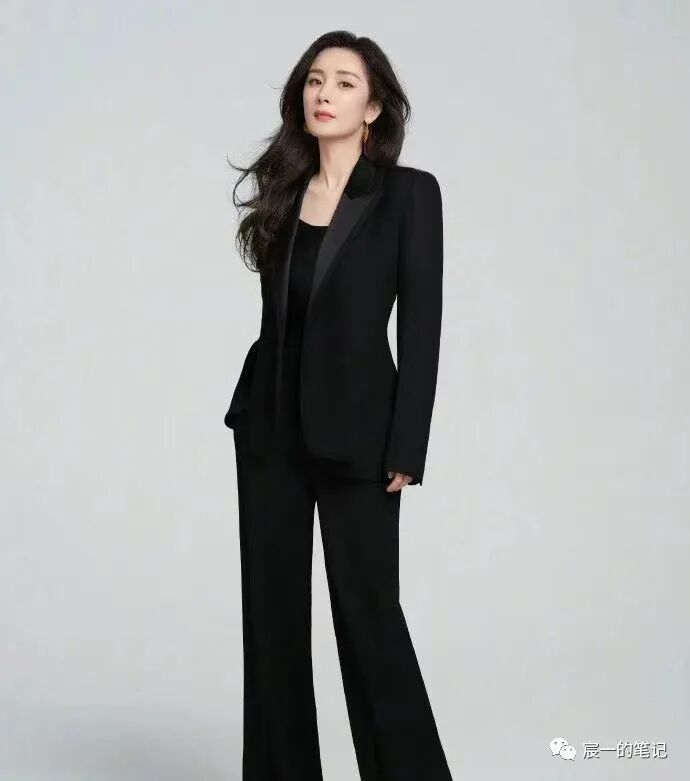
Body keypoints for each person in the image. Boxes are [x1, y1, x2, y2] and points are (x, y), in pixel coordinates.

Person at [224, 30, 453, 781]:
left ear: (374, 107)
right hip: (270, 432)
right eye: (315, 80)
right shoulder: (284, 193)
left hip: (361, 437)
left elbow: (421, 330)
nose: (324, 93)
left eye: (345, 83)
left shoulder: (408, 195)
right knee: (272, 624)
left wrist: (407, 446)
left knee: (368, 617)